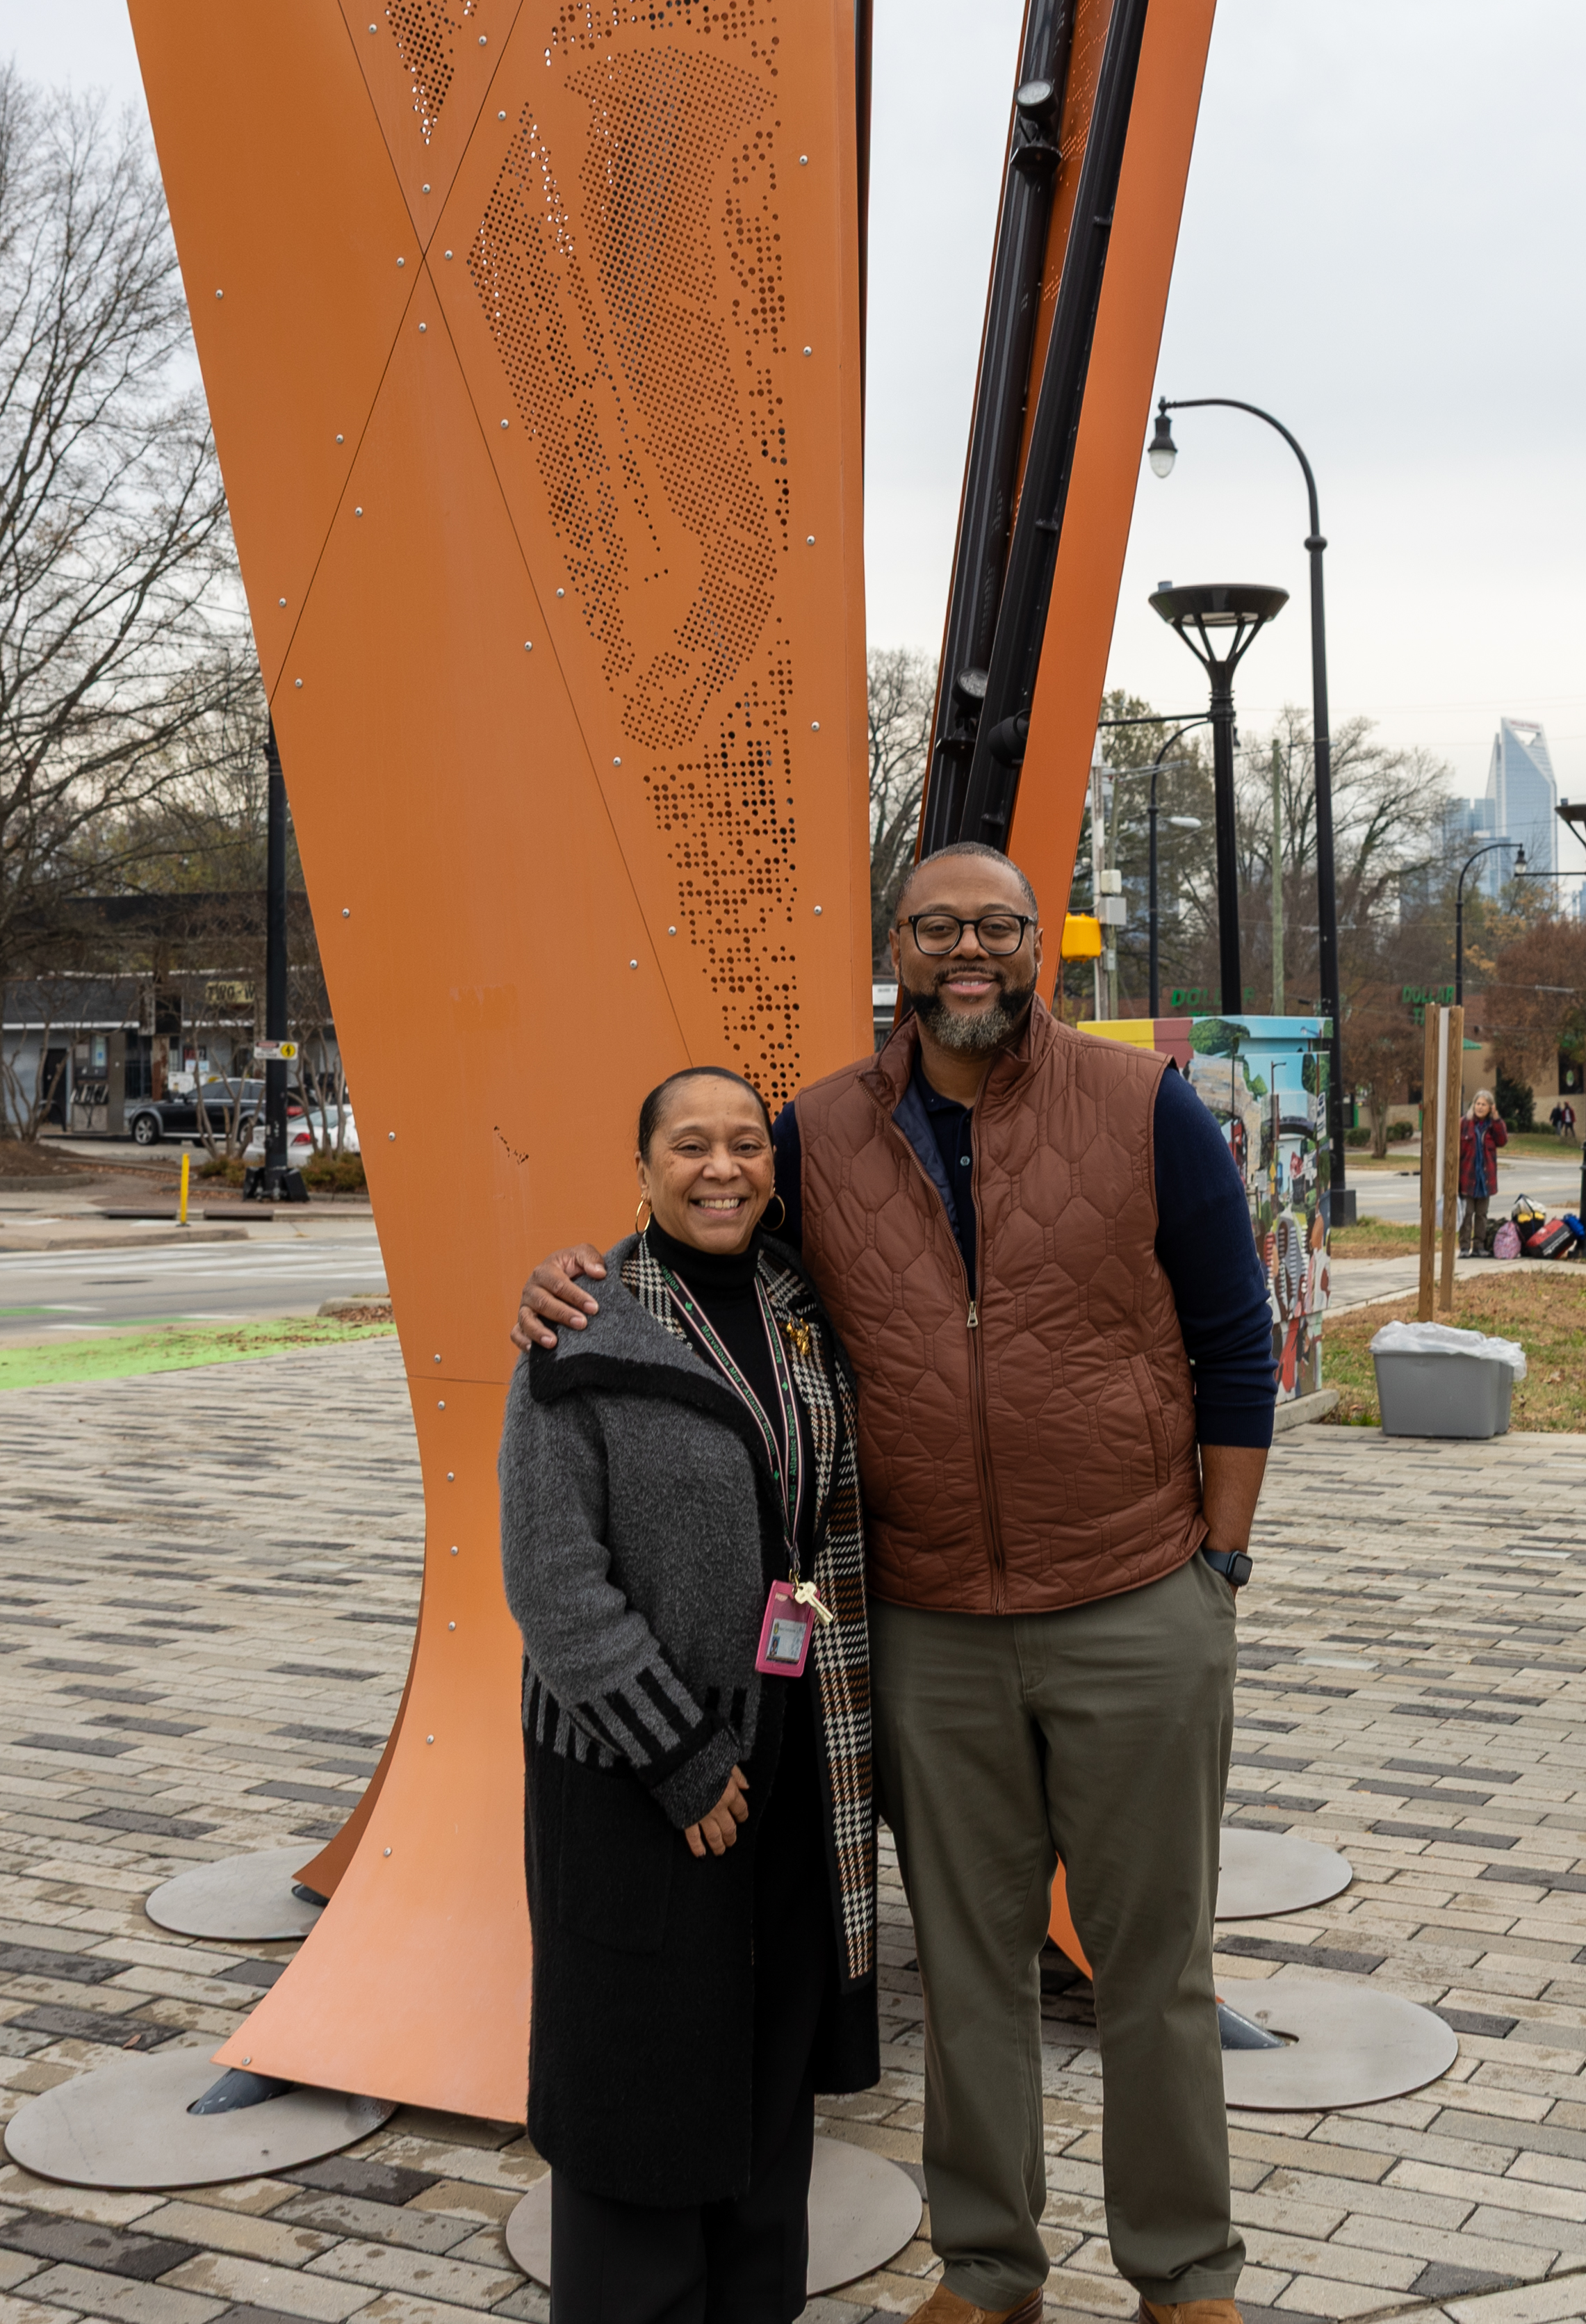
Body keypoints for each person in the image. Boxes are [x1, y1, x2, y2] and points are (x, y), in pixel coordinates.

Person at [518, 843, 1280, 2324]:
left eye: (998, 924)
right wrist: (575, 1282)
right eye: (939, 928)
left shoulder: (1143, 1107)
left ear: (1039, 945)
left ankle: (1186, 2273)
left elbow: (1237, 1337)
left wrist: (1220, 1560)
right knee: (974, 1966)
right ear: (900, 950)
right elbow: (714, 1243)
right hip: (926, 1623)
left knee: (1155, 1964)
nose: (969, 951)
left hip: (1133, 1594)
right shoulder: (817, 1131)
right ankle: (989, 2267)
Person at [500, 1067, 876, 2324]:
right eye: (690, 1147)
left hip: (790, 1754)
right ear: (643, 1169)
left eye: (745, 1146)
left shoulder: (806, 1305)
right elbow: (554, 1584)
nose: (723, 1168)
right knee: (641, 2093)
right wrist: (681, 1757)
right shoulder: (582, 1330)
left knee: (767, 2078)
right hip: (635, 1780)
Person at [1455, 1090, 1505, 1256]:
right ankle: (1464, 1247)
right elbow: (1455, 1149)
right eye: (1478, 1103)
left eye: (1484, 1104)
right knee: (1467, 1214)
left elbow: (1502, 1141)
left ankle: (1479, 1247)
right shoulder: (1464, 1123)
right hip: (1467, 1178)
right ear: (1473, 1105)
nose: (1480, 1107)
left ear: (1490, 1107)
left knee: (1482, 1215)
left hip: (1485, 1179)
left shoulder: (1493, 1126)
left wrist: (1497, 1119)